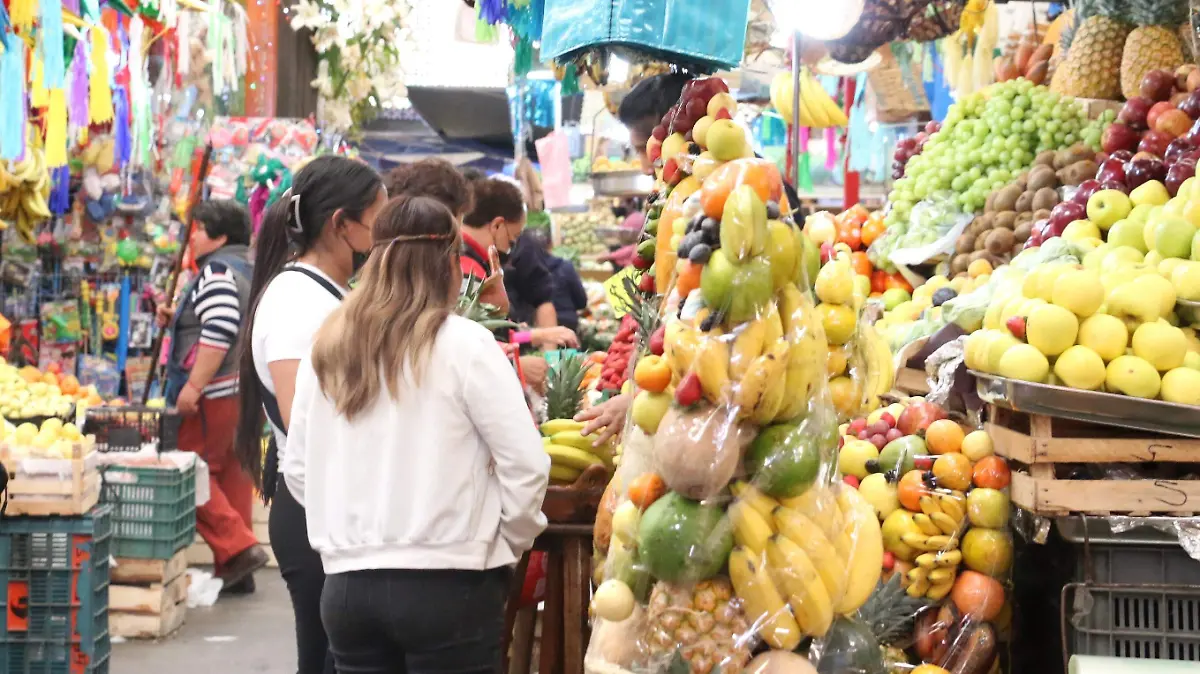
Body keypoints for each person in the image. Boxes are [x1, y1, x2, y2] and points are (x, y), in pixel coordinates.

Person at [284, 195, 549, 673]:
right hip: (450, 584)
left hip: (348, 589)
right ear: (449, 264)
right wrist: (505, 543)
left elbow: (299, 471)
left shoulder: (327, 348)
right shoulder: (465, 344)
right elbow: (526, 465)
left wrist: (347, 534)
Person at [233, 156, 388, 674]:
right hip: (313, 509)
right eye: (378, 221)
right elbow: (303, 421)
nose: (383, 237)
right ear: (342, 224)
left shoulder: (326, 291)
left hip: (330, 505)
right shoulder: (297, 301)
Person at [159, 200, 267, 591]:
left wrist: (193, 386)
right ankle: (237, 570)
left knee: (187, 470)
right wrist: (179, 320)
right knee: (231, 473)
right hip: (245, 389)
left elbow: (220, 327)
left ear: (220, 237)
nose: (193, 237)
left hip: (217, 391)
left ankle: (237, 548)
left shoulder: (217, 271)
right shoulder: (248, 268)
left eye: (200, 229)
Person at [526, 228, 588, 332]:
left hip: (534, 327)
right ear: (551, 244)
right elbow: (581, 301)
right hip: (567, 323)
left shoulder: (522, 269)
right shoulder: (565, 267)